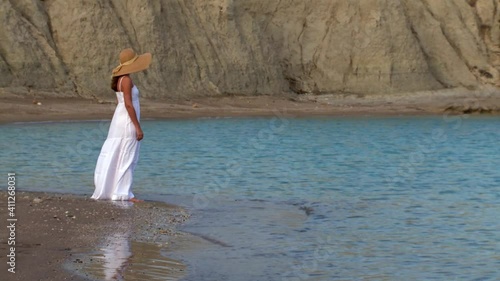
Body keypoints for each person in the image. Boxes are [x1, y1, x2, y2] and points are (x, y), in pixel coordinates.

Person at [91, 48, 152, 202]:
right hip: (126, 121)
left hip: (120, 119)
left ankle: (116, 190)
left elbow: (123, 103)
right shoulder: (126, 80)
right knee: (127, 156)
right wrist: (137, 127)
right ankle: (123, 193)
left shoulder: (120, 79)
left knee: (119, 154)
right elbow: (129, 105)